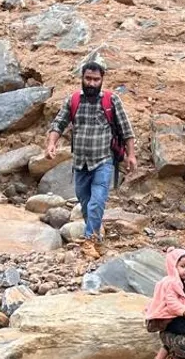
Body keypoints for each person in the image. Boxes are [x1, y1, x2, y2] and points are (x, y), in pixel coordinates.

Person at [45, 57, 136, 258]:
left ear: (102, 79)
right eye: (88, 79)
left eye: (96, 79)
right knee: (85, 202)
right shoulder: (74, 100)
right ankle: (95, 234)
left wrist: (131, 155)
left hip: (103, 160)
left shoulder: (111, 101)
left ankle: (89, 241)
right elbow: (58, 123)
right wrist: (52, 144)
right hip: (80, 162)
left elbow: (126, 130)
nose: (92, 83)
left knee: (97, 201)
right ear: (82, 78)